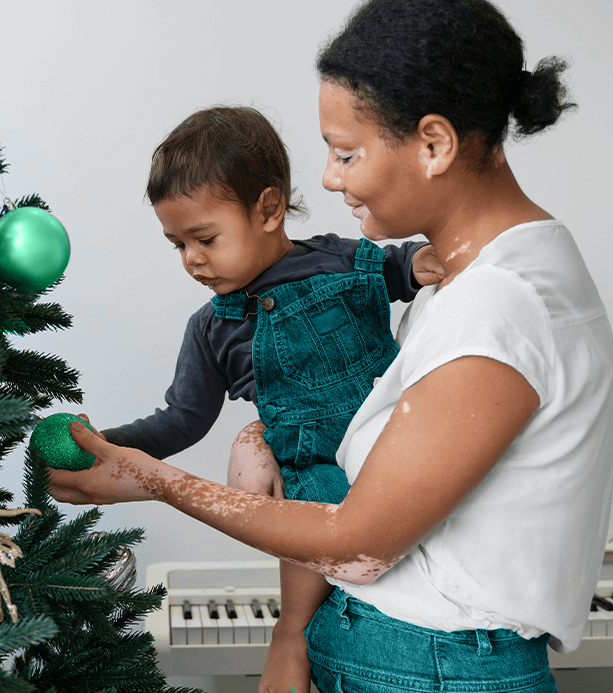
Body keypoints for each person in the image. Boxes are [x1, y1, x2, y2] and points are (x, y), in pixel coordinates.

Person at [50, 0, 613, 691]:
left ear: (434, 144)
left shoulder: (498, 302)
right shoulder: (488, 270)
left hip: (429, 663)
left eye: (347, 152)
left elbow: (359, 540)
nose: (325, 178)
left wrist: (150, 479)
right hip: (399, 646)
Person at [96, 104, 443, 693]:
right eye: (176, 245)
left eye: (205, 238)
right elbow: (182, 419)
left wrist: (434, 260)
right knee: (314, 497)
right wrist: (108, 444)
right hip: (311, 468)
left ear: (269, 208)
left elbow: (405, 264)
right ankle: (293, 631)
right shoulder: (212, 328)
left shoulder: (343, 261)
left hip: (394, 444)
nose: (192, 260)